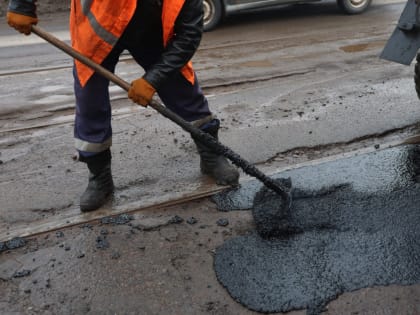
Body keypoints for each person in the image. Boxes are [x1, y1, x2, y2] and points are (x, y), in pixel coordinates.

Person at [7, 0, 240, 212]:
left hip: (151, 31)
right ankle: (100, 177)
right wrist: (21, 4)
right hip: (99, 27)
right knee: (90, 101)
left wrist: (153, 79)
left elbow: (189, 36)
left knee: (182, 88)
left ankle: (211, 155)